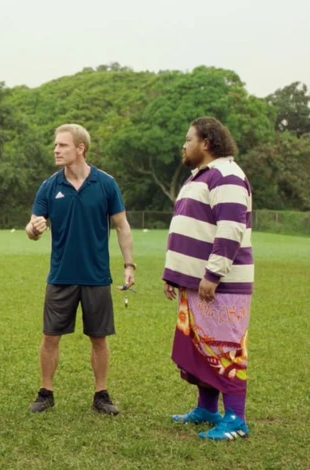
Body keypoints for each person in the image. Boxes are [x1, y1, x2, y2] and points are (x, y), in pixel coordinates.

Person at [26, 123, 134, 416]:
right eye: (56, 145)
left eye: (62, 145)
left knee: (99, 338)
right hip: (60, 275)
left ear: (80, 148)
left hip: (96, 276)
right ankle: (46, 392)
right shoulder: (50, 186)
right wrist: (33, 229)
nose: (56, 150)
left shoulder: (106, 183)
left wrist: (129, 264)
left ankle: (101, 393)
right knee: (50, 337)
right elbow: (32, 226)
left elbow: (122, 225)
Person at [164, 117, 253, 440]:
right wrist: (173, 276)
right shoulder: (198, 178)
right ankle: (206, 408)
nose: (183, 145)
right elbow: (191, 229)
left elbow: (230, 229)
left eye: (188, 139)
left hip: (221, 285)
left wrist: (213, 274)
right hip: (196, 283)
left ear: (206, 142)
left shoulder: (227, 176)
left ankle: (236, 419)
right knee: (201, 348)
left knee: (225, 347)